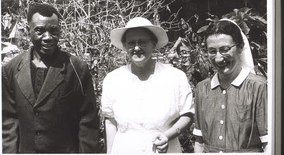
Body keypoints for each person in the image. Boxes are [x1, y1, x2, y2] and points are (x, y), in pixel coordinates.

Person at [2, 3, 100, 153]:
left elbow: (88, 122)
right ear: (29, 31)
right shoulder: (11, 70)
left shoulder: (76, 68)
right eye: (40, 30)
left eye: (53, 31)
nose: (47, 37)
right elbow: (9, 122)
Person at [101, 17, 194, 153]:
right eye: (131, 43)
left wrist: (167, 135)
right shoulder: (113, 79)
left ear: (154, 44)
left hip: (165, 149)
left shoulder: (175, 76)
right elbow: (110, 121)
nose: (137, 48)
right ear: (125, 46)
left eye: (143, 42)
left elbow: (187, 114)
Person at [193, 19, 268, 153]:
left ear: (240, 47)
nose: (218, 58)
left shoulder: (259, 87)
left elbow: (268, 143)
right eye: (212, 51)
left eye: (225, 50)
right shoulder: (202, 89)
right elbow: (199, 143)